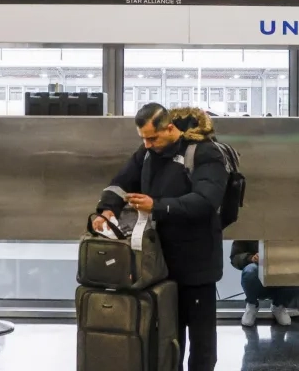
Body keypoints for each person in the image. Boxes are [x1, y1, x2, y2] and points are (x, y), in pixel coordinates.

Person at [93, 104, 228, 371]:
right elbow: (121, 182)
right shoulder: (147, 152)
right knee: (167, 337)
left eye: (152, 138)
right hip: (159, 265)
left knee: (201, 345)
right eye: (143, 138)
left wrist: (157, 205)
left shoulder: (204, 151)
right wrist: (108, 208)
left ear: (170, 128)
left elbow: (205, 201)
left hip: (197, 264)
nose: (147, 144)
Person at [231, 240, 299, 327]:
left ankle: (278, 306)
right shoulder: (247, 227)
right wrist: (251, 258)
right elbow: (235, 257)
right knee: (250, 272)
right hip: (257, 267)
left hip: (283, 265)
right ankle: (252, 305)